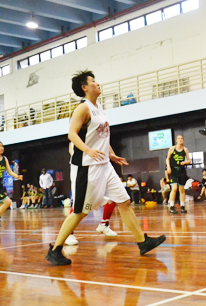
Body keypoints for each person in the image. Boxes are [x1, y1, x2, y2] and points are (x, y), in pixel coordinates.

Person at [46, 70, 165, 265]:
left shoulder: (98, 107)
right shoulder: (82, 109)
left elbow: (101, 135)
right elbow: (72, 135)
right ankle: (56, 249)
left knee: (124, 201)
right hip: (87, 167)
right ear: (85, 87)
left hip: (105, 165)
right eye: (93, 81)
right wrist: (88, 150)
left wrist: (110, 153)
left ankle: (142, 242)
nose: (97, 83)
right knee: (80, 211)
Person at [166, 135, 192, 214]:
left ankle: (183, 206)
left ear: (183, 140)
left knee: (182, 189)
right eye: (179, 138)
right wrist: (168, 167)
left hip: (181, 171)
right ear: (176, 140)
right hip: (173, 171)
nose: (180, 140)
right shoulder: (172, 148)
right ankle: (171, 206)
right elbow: (167, 158)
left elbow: (189, 160)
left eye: (181, 138)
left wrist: (185, 162)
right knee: (174, 188)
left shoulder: (185, 149)